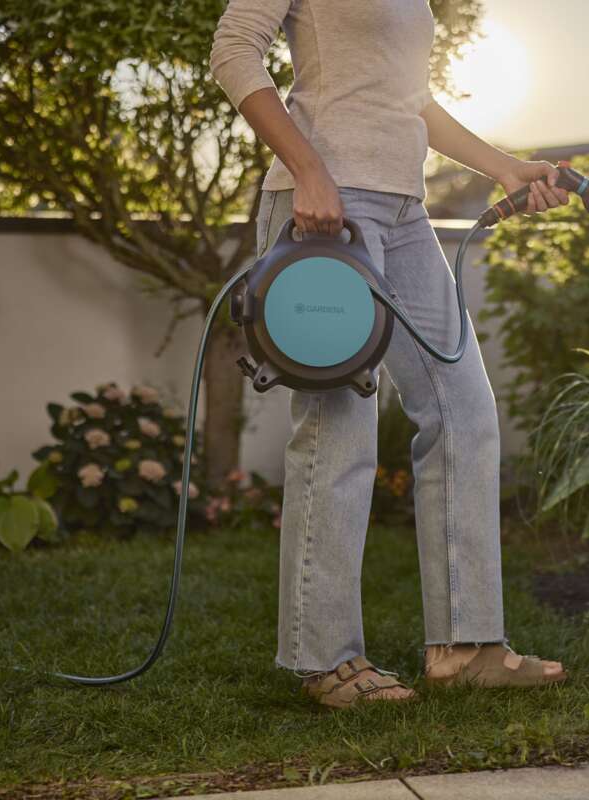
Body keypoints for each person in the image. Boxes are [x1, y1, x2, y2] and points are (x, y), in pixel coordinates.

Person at [210, 0, 569, 708]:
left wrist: (503, 167)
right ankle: (327, 660)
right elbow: (232, 51)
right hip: (326, 206)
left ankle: (466, 645)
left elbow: (409, 97)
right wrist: (309, 170)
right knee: (340, 427)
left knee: (463, 409)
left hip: (405, 211)